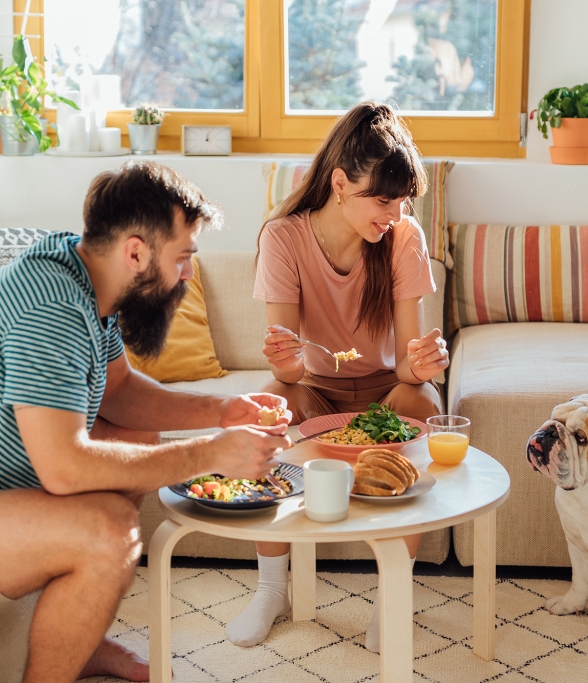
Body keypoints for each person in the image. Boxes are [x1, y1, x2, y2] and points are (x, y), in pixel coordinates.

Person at [0, 162, 292, 683]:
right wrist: (210, 452)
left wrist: (221, 410)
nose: (189, 275)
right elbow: (64, 468)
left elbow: (121, 394)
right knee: (108, 533)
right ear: (135, 252)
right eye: (183, 257)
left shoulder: (83, 274)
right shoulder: (50, 306)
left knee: (133, 438)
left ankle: (79, 644)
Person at [225, 102, 450, 651]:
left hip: (383, 388)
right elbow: (292, 366)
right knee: (269, 402)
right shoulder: (283, 237)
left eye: (402, 200)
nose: (394, 212)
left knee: (423, 403)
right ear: (341, 183)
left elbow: (404, 367)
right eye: (382, 198)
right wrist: (284, 364)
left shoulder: (403, 238)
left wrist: (422, 363)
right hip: (316, 387)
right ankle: (271, 588)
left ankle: (392, 592)